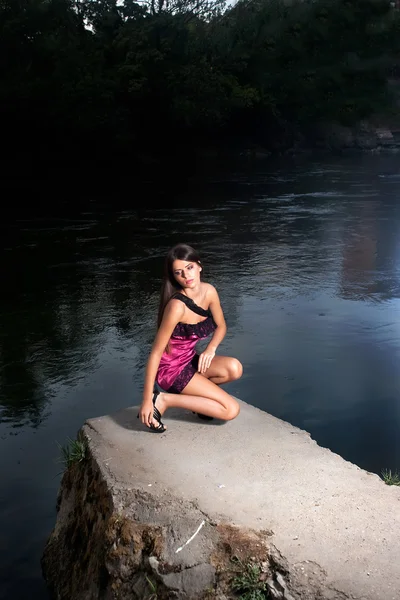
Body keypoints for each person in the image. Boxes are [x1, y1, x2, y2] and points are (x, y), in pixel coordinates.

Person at [138, 243, 243, 432]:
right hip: (171, 370)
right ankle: (163, 399)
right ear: (174, 277)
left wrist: (210, 349)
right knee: (230, 409)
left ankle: (200, 403)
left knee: (234, 368)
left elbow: (221, 326)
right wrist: (146, 400)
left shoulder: (209, 291)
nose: (187, 276)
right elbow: (155, 354)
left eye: (190, 267)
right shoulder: (176, 307)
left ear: (199, 265)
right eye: (179, 272)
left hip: (189, 360)